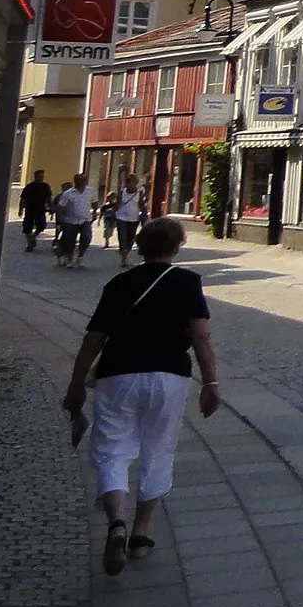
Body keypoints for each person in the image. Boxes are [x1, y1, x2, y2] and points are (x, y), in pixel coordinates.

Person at [63, 218, 220, 576]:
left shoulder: (119, 283)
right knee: (158, 449)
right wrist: (211, 383)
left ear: (141, 245)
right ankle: (140, 533)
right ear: (177, 246)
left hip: (118, 374)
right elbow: (201, 336)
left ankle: (116, 520)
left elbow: (94, 337)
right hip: (169, 375)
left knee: (111, 448)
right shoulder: (186, 282)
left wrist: (75, 384)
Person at [53, 171, 99, 269]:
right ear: (76, 181)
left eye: (85, 180)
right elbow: (60, 207)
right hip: (70, 221)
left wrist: (95, 212)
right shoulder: (68, 194)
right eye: (81, 180)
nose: (84, 182)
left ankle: (80, 257)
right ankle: (70, 260)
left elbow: (95, 202)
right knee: (70, 241)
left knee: (86, 238)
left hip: (85, 220)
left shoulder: (90, 191)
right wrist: (60, 221)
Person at [109, 174, 148, 267]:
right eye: (127, 181)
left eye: (130, 181)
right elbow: (117, 204)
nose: (128, 183)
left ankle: (126, 252)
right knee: (122, 237)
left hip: (134, 219)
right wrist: (112, 212)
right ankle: (123, 257)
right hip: (121, 218)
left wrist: (145, 202)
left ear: (135, 183)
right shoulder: (122, 192)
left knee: (131, 238)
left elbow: (141, 205)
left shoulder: (139, 193)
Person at [19, 170, 54, 252]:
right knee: (27, 227)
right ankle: (29, 244)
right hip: (30, 209)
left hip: (40, 209)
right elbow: (23, 198)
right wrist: (20, 209)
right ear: (35, 177)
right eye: (39, 176)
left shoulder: (46, 186)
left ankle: (33, 238)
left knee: (41, 226)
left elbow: (49, 198)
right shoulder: (29, 187)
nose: (41, 178)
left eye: (42, 176)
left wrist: (51, 208)